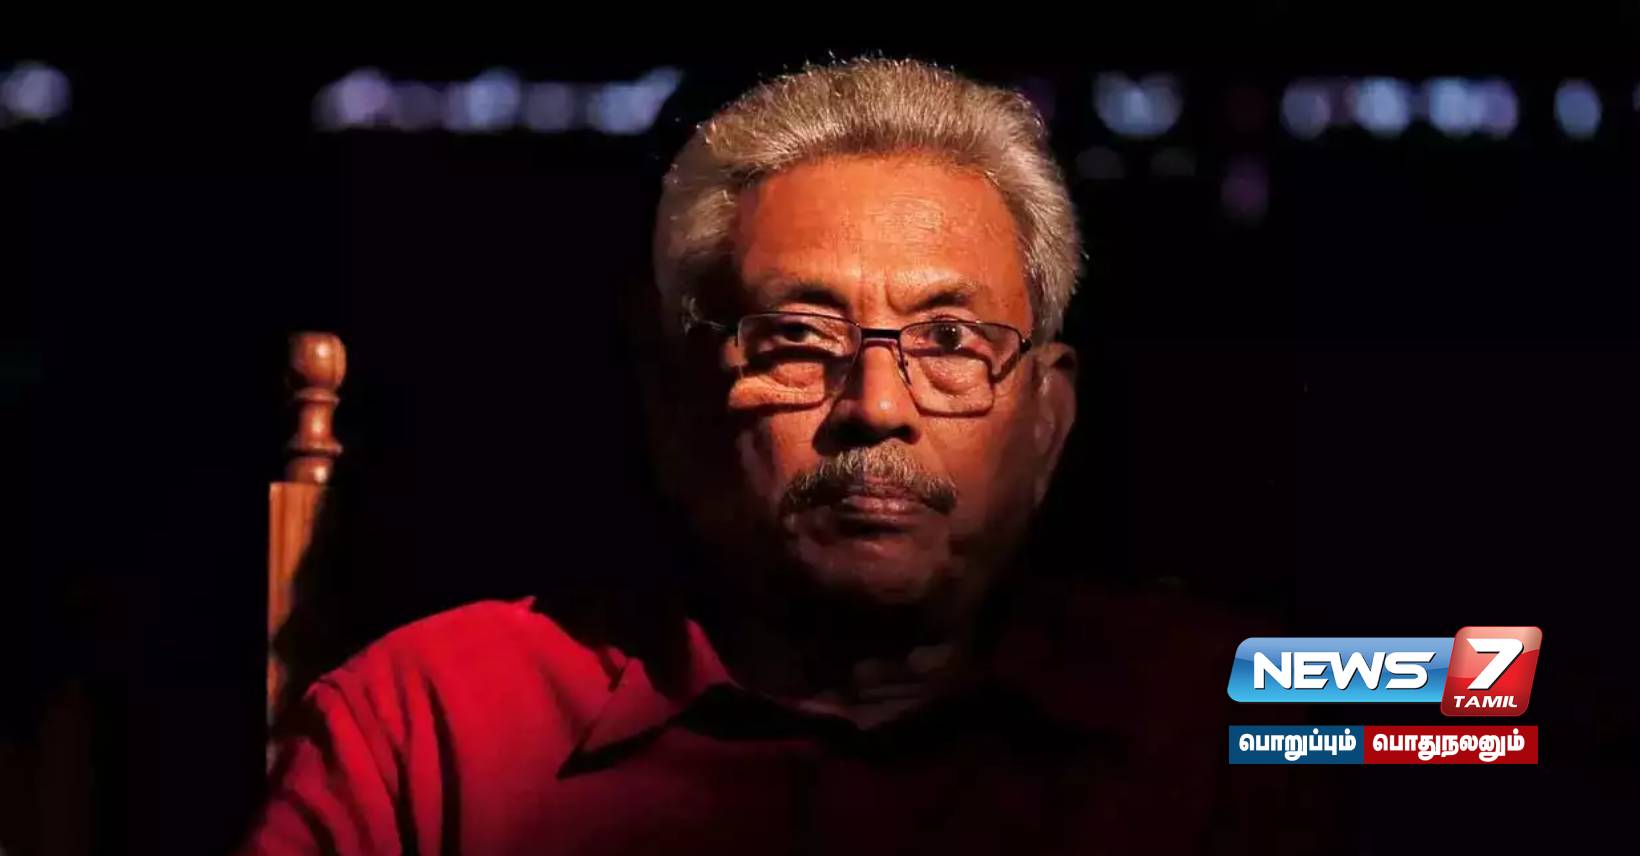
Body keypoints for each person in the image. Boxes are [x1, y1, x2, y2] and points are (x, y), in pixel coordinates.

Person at [242, 57, 1334, 855]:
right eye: (798, 341)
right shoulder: (435, 731)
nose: (876, 408)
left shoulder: (1237, 726)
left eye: (949, 343)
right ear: (674, 402)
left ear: (1047, 418)